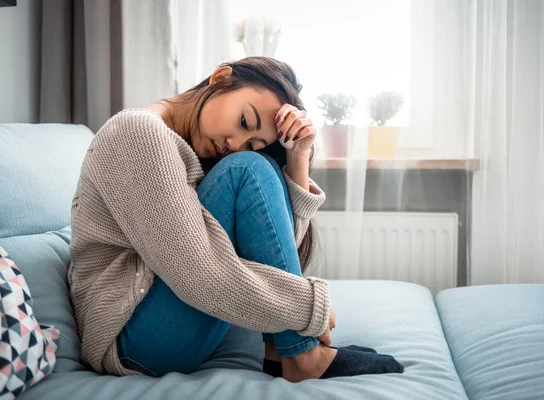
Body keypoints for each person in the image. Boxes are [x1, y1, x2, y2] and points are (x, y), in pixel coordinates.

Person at [68, 56, 404, 382]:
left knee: (258, 167)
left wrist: (297, 158)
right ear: (220, 79)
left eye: (252, 143)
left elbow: (278, 252)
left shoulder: (194, 148)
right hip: (131, 338)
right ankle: (302, 356)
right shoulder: (139, 133)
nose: (235, 144)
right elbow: (196, 272)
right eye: (245, 122)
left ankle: (290, 349)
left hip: (170, 314)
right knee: (247, 170)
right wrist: (307, 307)